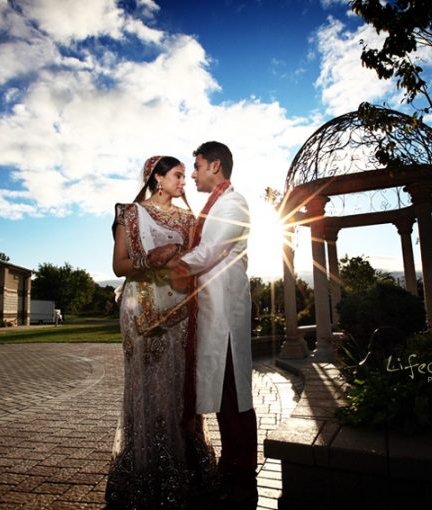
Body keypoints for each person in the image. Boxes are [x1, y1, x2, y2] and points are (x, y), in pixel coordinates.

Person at [106, 155, 216, 509]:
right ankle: (145, 469)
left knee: (177, 385)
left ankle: (181, 464)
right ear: (156, 178)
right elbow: (119, 264)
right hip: (141, 309)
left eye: (186, 175)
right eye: (177, 175)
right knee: (145, 385)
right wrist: (149, 260)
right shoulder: (130, 213)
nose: (184, 182)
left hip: (181, 309)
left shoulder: (187, 218)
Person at [168, 141, 258, 508]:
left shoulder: (233, 203)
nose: (192, 174)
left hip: (225, 311)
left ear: (215, 166)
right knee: (223, 396)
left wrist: (165, 268)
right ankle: (230, 466)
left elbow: (211, 252)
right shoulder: (217, 204)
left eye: (198, 166)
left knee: (235, 397)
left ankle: (242, 475)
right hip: (213, 310)